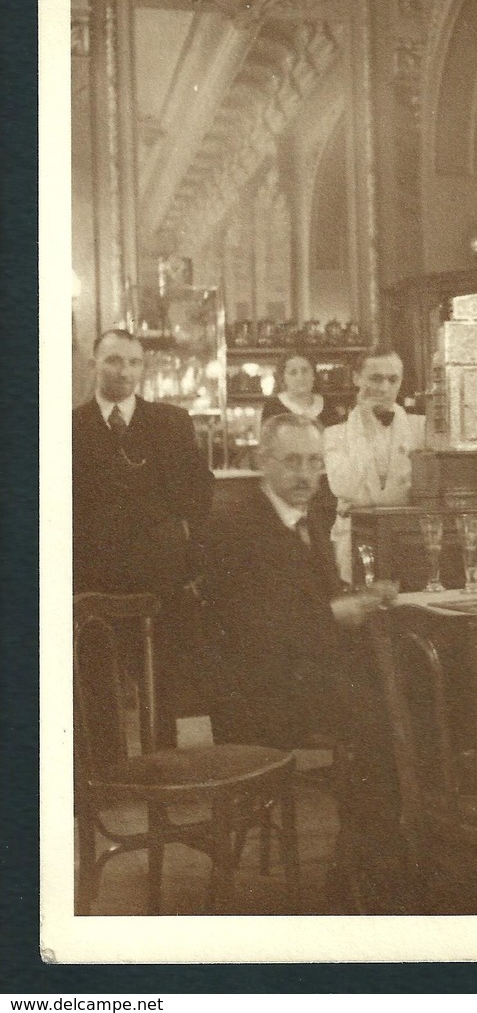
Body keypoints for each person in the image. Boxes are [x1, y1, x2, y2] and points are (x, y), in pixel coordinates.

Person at [206, 413, 404, 907]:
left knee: (402, 700)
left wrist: (358, 597)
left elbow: (310, 601)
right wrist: (337, 611)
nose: (305, 474)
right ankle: (368, 871)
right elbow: (255, 629)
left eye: (314, 462)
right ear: (262, 462)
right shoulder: (234, 525)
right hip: (255, 693)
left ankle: (363, 857)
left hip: (301, 677)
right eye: (292, 461)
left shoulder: (309, 519)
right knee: (386, 723)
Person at [73, 328, 214, 746]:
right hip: (93, 576)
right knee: (95, 676)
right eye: (114, 360)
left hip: (159, 574)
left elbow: (199, 492)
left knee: (161, 678)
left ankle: (163, 764)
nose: (124, 371)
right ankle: (107, 773)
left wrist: (186, 552)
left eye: (134, 362)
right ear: (93, 363)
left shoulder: (170, 422)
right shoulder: (70, 427)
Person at [323, 348, 424, 583]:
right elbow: (344, 488)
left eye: (393, 379)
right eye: (375, 378)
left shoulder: (420, 429)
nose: (385, 388)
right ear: (357, 378)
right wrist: (365, 428)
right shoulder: (334, 434)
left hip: (407, 541)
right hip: (356, 542)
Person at [261, 350, 341, 427]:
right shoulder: (273, 408)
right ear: (283, 378)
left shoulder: (327, 406)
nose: (300, 377)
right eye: (293, 372)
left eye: (305, 371)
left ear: (314, 375)